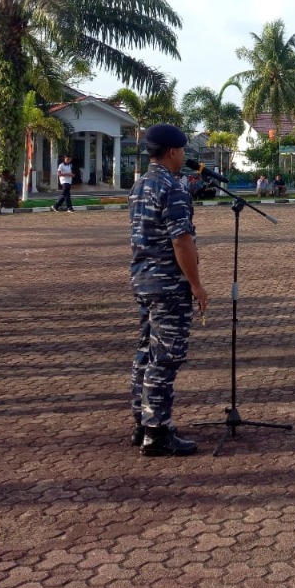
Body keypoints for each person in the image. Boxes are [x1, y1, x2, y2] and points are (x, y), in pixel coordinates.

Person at [128, 124, 209, 457]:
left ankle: (142, 422)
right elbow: (181, 240)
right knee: (165, 357)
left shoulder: (140, 185)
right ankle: (157, 432)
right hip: (168, 284)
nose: (185, 156)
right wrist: (196, 284)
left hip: (144, 280)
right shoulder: (172, 187)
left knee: (146, 352)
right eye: (183, 151)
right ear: (174, 152)